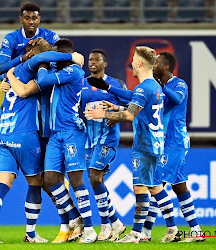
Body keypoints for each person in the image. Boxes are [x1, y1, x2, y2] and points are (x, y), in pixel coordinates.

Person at [0, 40, 84, 244]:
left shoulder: (15, 74)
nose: (51, 60)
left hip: (5, 132)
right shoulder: (34, 69)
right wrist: (72, 57)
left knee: (5, 182)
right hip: (31, 133)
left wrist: (7, 76)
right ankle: (36, 232)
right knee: (41, 182)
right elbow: (28, 87)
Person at [5, 38, 97, 243]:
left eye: (58, 55)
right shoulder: (60, 71)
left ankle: (90, 229)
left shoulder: (74, 71)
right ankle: (75, 217)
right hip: (55, 134)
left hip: (72, 131)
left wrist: (44, 66)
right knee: (51, 179)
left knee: (75, 180)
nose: (54, 60)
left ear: (65, 55)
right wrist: (9, 81)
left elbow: (44, 80)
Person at [84, 46, 179, 243]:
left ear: (140, 63)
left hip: (145, 144)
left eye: (134, 60)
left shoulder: (145, 88)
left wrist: (104, 113)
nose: (131, 64)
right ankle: (169, 229)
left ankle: (137, 233)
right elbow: (133, 100)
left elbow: (130, 114)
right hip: (155, 141)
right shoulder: (153, 87)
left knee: (142, 188)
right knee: (153, 187)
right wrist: (109, 91)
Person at [0, 2, 60, 199]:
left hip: (42, 98)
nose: (31, 22)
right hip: (17, 96)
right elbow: (0, 69)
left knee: (44, 177)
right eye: (27, 18)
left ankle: (66, 211)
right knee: (0, 130)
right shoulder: (12, 38)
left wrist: (46, 56)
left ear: (39, 19)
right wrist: (21, 60)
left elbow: (63, 60)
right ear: (21, 19)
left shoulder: (50, 36)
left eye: (34, 18)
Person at [140, 52, 205, 242]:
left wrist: (161, 87)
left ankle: (146, 232)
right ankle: (196, 231)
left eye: (157, 61)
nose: (154, 64)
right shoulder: (157, 87)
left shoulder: (179, 84)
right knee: (180, 188)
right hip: (163, 142)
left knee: (155, 184)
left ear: (166, 67)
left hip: (175, 142)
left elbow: (177, 99)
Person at [81, 49, 128, 241]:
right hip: (87, 140)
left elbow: (132, 107)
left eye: (97, 60)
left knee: (94, 176)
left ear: (104, 63)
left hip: (107, 138)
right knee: (96, 181)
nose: (92, 62)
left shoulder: (115, 84)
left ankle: (106, 225)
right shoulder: (81, 84)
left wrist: (116, 114)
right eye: (90, 59)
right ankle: (116, 223)